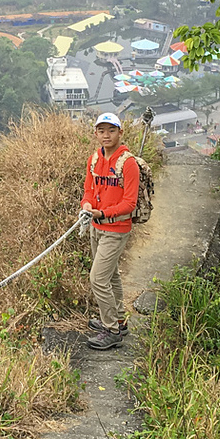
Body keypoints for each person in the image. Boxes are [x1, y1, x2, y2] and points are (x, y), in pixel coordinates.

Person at [80, 112, 139, 350]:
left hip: (116, 228)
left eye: (111, 130)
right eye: (102, 131)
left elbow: (130, 203)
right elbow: (88, 190)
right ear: (96, 133)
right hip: (96, 227)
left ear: (120, 133)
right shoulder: (94, 159)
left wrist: (102, 213)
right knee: (111, 274)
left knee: (98, 278)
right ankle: (119, 320)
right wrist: (87, 205)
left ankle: (112, 330)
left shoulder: (128, 163)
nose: (106, 135)